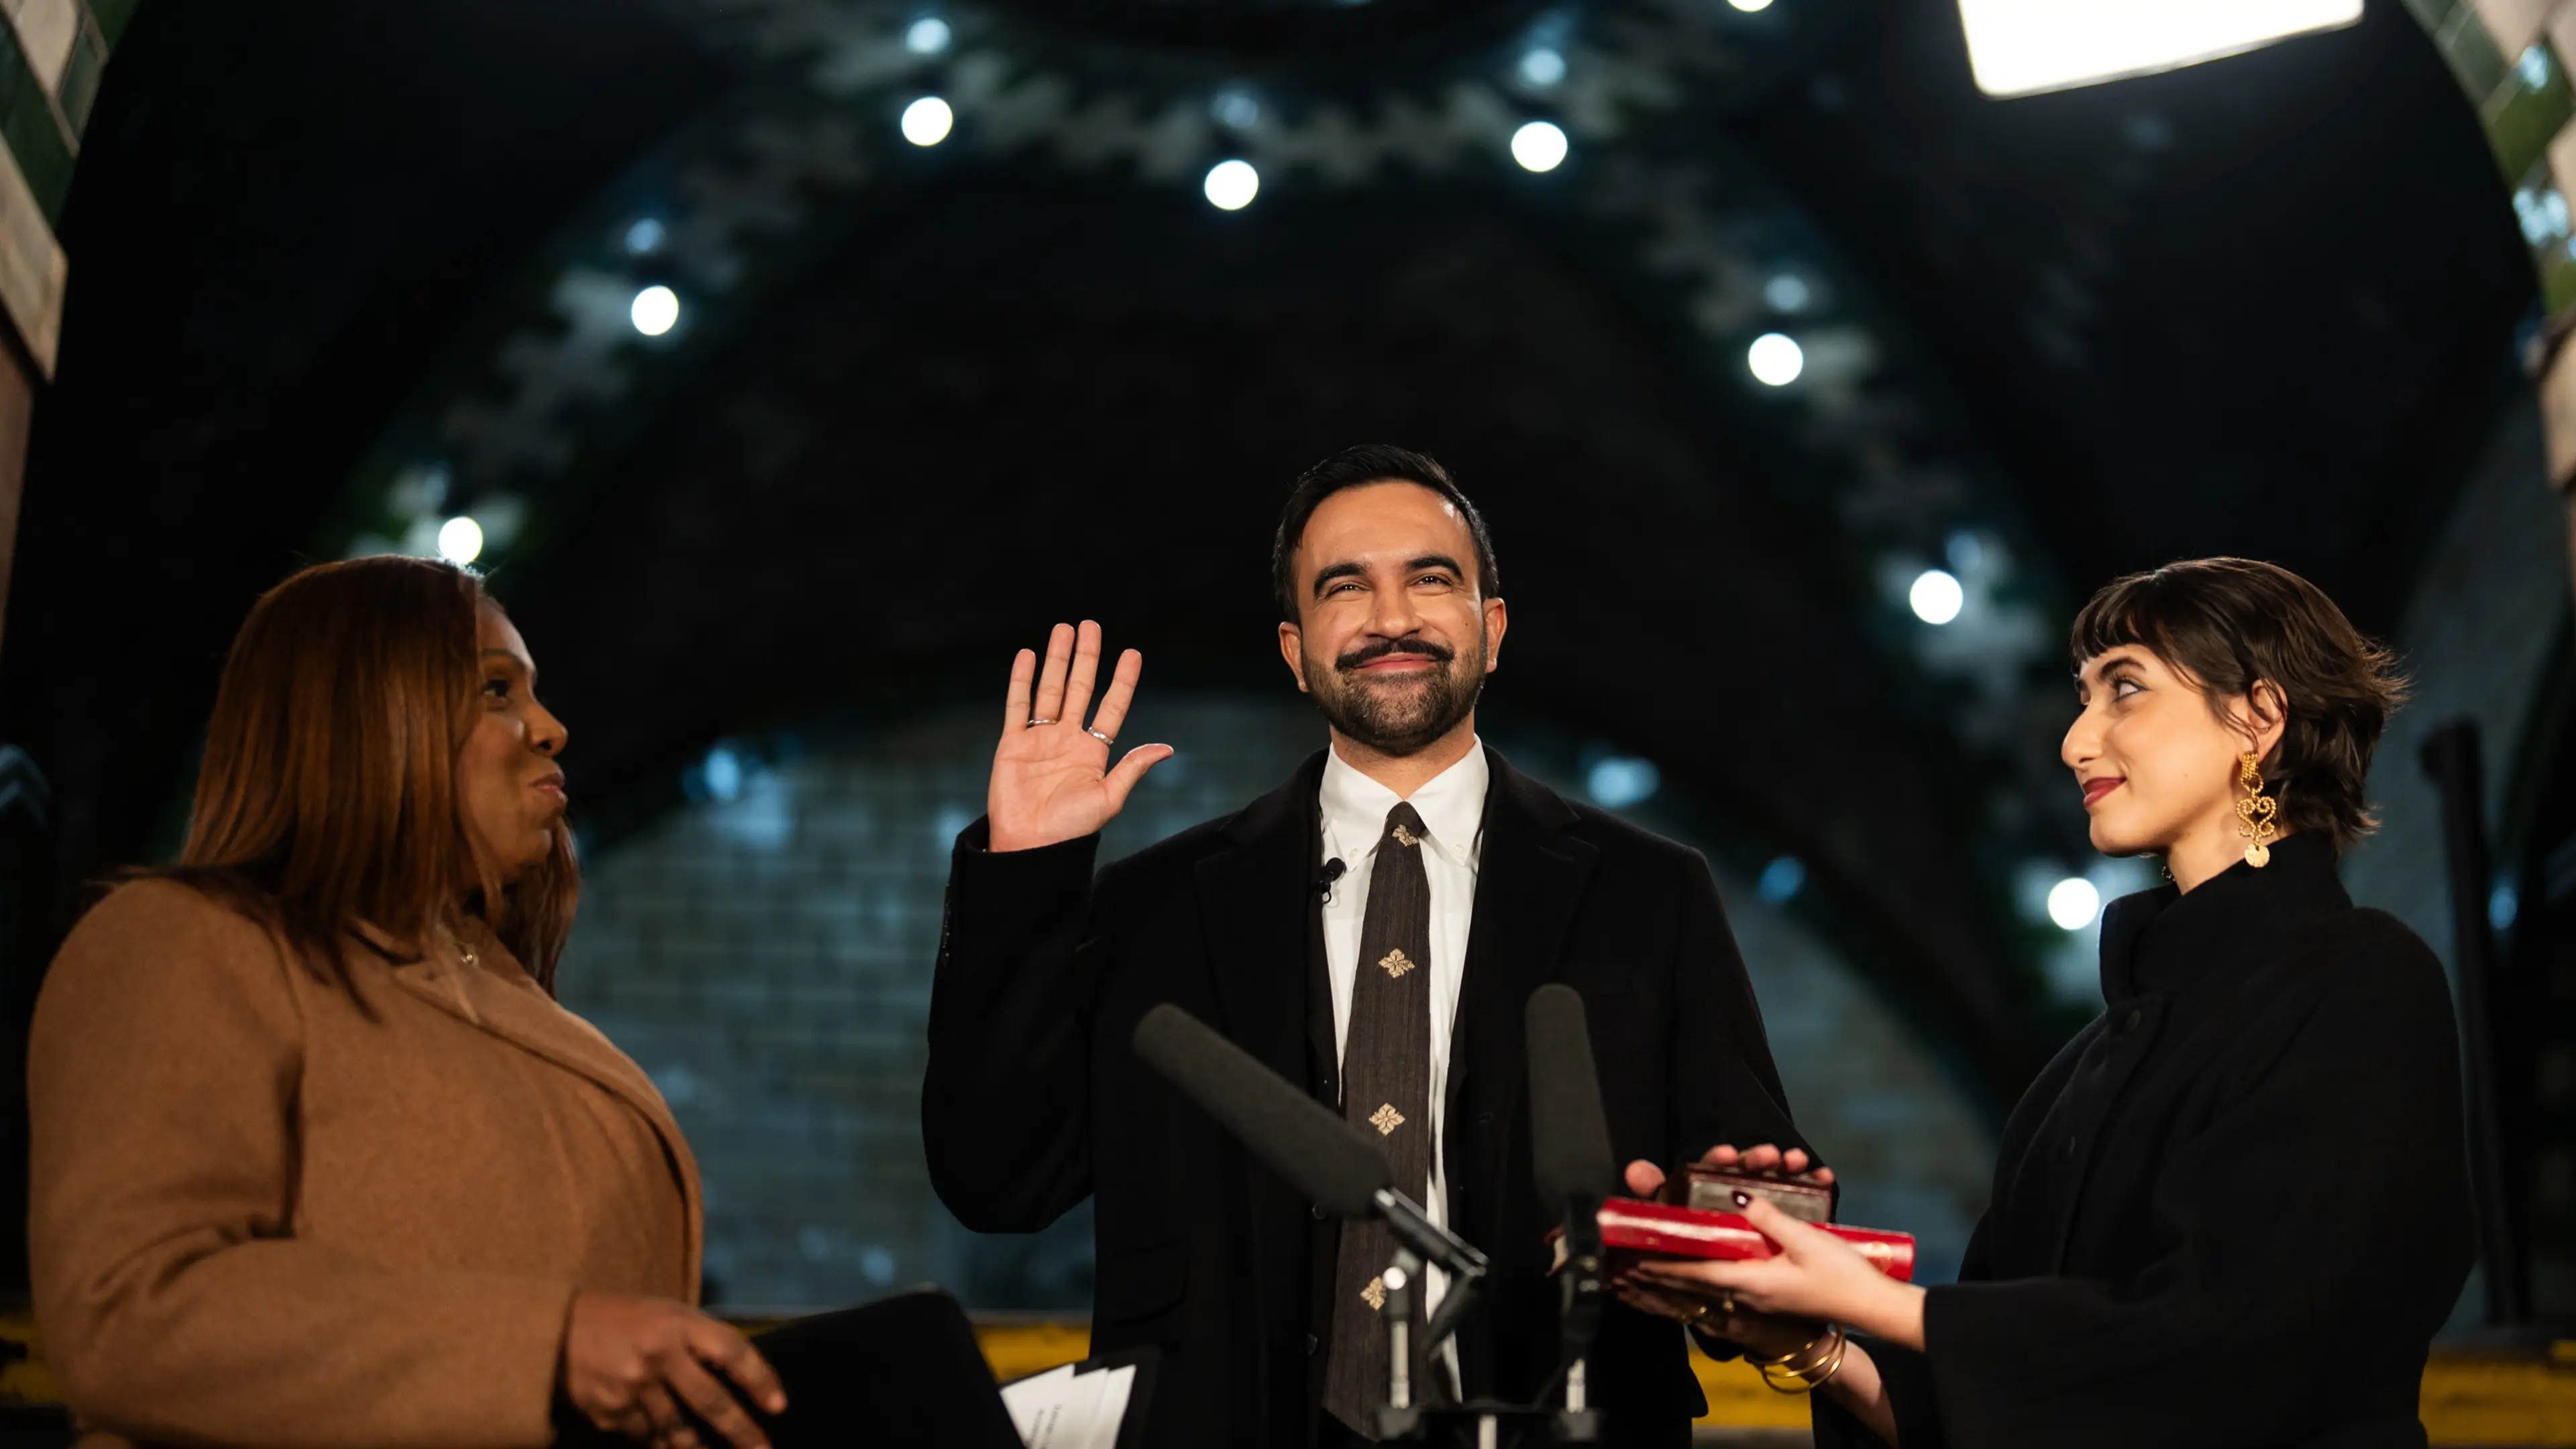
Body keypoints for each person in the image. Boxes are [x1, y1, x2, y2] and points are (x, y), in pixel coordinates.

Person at [922, 445, 1816, 1449]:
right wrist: (1026, 873)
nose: (1392, 618)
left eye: (1431, 579)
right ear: (1296, 650)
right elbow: (996, 1179)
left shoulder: (1650, 893)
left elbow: (1753, 1215)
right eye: (1346, 588)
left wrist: (1721, 1229)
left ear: (1494, 627)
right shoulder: (1156, 905)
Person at [1614, 557, 2475, 1448]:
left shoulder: (2360, 980)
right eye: (2083, 696)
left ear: (2257, 717)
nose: (2075, 741)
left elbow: (2237, 1346)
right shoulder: (2081, 1069)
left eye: (2125, 689)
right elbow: (2003, 1405)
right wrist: (1811, 1338)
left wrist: (1878, 1299)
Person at [29, 556, 787, 1449]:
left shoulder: (510, 1006)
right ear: (366, 715)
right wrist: (548, 1347)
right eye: (496, 691)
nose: (550, 727)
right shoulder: (185, 943)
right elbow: (130, 1306)